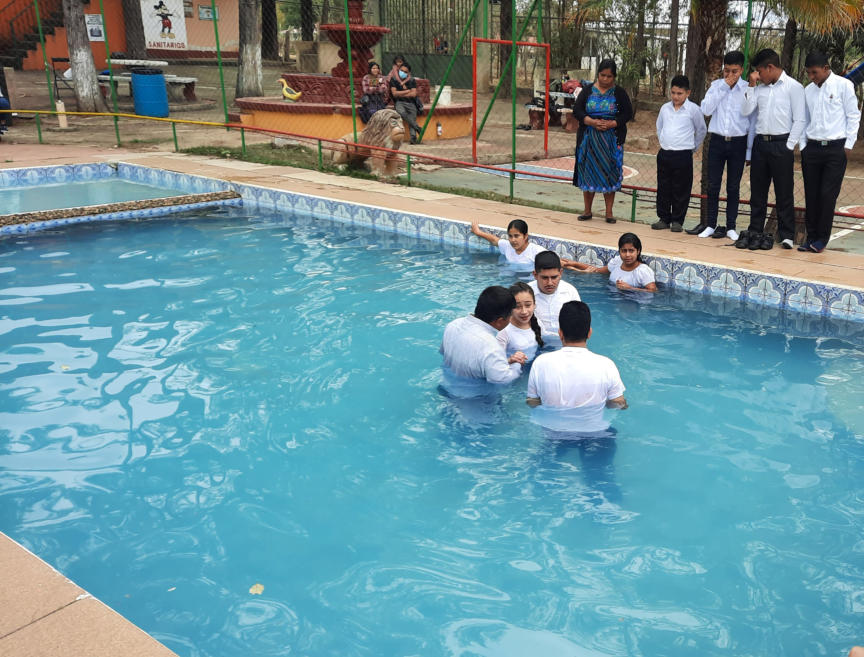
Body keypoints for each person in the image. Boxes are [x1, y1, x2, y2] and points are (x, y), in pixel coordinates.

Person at [738, 48, 806, 251]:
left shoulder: (794, 87)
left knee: (784, 191)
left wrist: (788, 146)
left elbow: (800, 119)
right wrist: (751, 86)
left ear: (770, 67)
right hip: (761, 144)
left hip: (781, 143)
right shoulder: (759, 89)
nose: (757, 76)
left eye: (759, 71)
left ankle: (787, 235)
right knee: (758, 192)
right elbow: (746, 111)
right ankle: (755, 230)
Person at [526, 301, 627, 434]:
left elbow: (532, 402)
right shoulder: (606, 365)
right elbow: (618, 404)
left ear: (560, 333)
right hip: (594, 432)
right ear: (589, 333)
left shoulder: (540, 363)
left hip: (554, 432)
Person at [689, 50, 755, 241]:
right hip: (717, 140)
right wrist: (724, 86)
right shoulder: (717, 86)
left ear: (741, 70)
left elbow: (750, 116)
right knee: (713, 184)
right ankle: (711, 224)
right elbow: (706, 109)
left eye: (734, 71)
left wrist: (749, 151)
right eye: (727, 71)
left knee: (733, 186)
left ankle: (731, 226)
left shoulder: (748, 88)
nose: (730, 75)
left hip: (738, 142)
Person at [799, 51, 861, 254]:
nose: (811, 77)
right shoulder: (808, 90)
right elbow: (804, 119)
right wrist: (803, 145)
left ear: (826, 68)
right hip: (812, 148)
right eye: (808, 73)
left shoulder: (844, 85)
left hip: (836, 149)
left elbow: (853, 116)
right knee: (811, 194)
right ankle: (810, 237)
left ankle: (821, 239)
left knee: (827, 195)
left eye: (814, 72)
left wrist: (848, 145)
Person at [572, 59, 634, 224]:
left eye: (609, 76)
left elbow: (627, 113)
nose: (605, 79)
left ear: (614, 77)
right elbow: (577, 110)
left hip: (611, 140)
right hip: (589, 139)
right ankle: (587, 211)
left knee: (610, 172)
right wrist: (591, 121)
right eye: (602, 75)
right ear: (597, 74)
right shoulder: (587, 91)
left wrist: (613, 123)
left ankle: (609, 213)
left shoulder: (619, 93)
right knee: (588, 173)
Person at [439, 286, 526, 396]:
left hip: (445, 389)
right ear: (500, 321)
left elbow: (446, 354)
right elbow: (503, 381)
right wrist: (517, 365)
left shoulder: (453, 325)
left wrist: (506, 361)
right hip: (474, 400)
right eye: (510, 317)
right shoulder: (491, 346)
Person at [651, 75, 707, 233]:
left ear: (688, 93)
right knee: (663, 187)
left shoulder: (693, 110)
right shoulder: (665, 108)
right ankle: (663, 218)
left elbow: (701, 130)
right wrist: (664, 141)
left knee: (681, 189)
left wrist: (693, 147)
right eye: (673, 93)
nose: (675, 97)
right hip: (665, 154)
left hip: (683, 155)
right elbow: (659, 127)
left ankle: (677, 220)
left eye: (679, 93)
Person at [566, 232, 657, 292]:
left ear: (638, 251)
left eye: (631, 251)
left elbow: (653, 291)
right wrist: (575, 264)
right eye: (624, 251)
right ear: (619, 251)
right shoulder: (617, 262)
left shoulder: (643, 271)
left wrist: (630, 288)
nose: (627, 255)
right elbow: (597, 271)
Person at [529, 250, 581, 341]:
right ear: (535, 275)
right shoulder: (526, 294)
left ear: (560, 273)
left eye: (554, 277)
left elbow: (578, 322)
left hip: (565, 341)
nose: (550, 283)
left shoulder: (570, 291)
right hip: (535, 341)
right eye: (544, 278)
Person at [470, 219, 546, 268]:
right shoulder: (507, 246)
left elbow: (552, 261)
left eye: (516, 236)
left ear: (525, 236)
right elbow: (494, 240)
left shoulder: (536, 251)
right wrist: (478, 232)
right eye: (510, 236)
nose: (513, 240)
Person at [497, 282, 544, 362]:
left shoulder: (537, 322)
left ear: (534, 305)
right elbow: (494, 362)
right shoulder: (503, 332)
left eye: (528, 305)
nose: (524, 311)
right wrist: (510, 360)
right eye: (517, 307)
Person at [389, 61, 421, 145]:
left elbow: (413, 94)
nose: (402, 73)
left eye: (405, 72)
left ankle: (413, 138)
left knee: (412, 117)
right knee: (401, 113)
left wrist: (400, 93)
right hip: (399, 102)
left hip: (411, 103)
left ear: (408, 73)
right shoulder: (394, 79)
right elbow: (394, 94)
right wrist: (407, 91)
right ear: (399, 70)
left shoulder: (411, 80)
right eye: (401, 70)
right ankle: (417, 127)